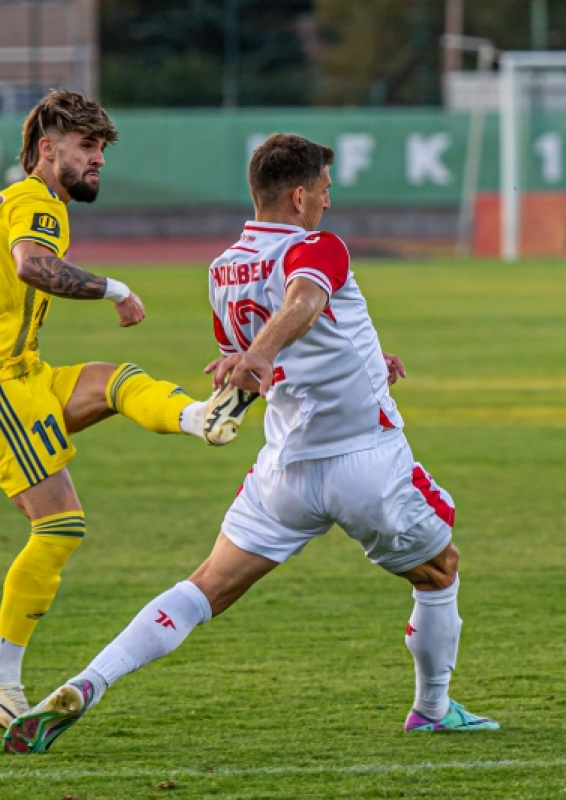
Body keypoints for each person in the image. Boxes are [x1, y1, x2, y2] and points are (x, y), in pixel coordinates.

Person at [3, 132, 499, 754]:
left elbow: (260, 358)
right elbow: (305, 300)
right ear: (298, 196)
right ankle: (432, 708)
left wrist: (362, 357)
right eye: (322, 189)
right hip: (364, 462)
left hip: (284, 473)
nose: (327, 201)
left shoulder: (223, 270)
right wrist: (264, 353)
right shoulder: (317, 246)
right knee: (440, 570)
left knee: (204, 588)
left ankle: (86, 683)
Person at [0, 89, 253, 730]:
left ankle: (203, 417)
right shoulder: (35, 202)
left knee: (115, 382)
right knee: (58, 525)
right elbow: (32, 266)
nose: (98, 162)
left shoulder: (28, 201)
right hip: (3, 386)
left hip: (24, 375)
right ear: (45, 148)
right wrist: (116, 288)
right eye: (87, 148)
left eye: (101, 151)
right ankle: (2, 681)